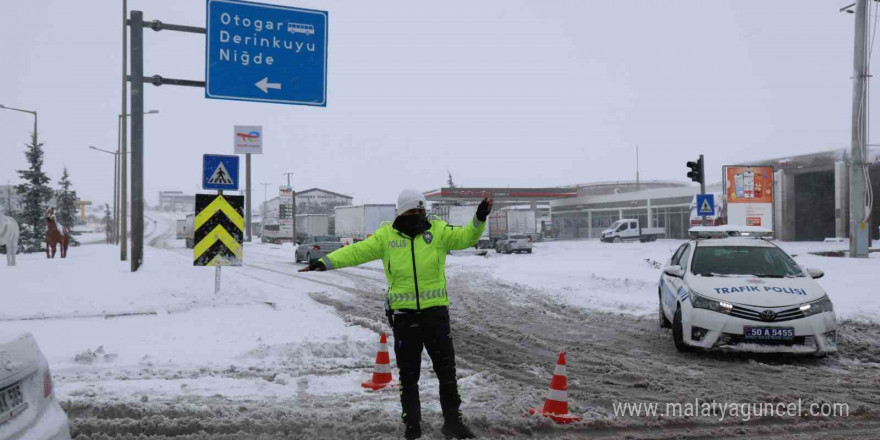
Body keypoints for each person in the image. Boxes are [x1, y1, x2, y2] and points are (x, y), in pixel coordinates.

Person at [299, 188, 492, 440]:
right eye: (412, 211)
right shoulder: (386, 236)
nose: (417, 215)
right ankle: (412, 427)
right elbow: (356, 251)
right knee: (409, 378)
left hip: (435, 316)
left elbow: (467, 237)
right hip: (404, 318)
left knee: (447, 374)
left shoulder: (438, 232)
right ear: (401, 212)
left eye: (420, 210)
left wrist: (479, 217)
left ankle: (452, 423)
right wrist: (326, 262)